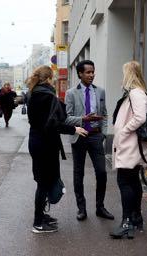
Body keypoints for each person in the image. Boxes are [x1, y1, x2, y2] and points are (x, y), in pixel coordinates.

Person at [27, 66, 88, 233]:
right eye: (52, 78)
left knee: (43, 182)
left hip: (36, 142)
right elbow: (53, 124)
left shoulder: (33, 93)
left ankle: (41, 216)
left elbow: (46, 120)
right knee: (44, 183)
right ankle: (38, 223)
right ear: (48, 78)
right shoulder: (46, 96)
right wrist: (74, 129)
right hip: (45, 144)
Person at [65, 60, 114, 221]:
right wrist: (82, 119)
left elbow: (105, 114)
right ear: (80, 74)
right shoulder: (71, 93)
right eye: (88, 72)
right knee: (78, 174)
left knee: (101, 172)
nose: (91, 75)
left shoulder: (100, 91)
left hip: (95, 136)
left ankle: (100, 207)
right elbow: (66, 118)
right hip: (80, 135)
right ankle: (82, 209)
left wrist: (104, 134)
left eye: (93, 72)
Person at [110, 61, 147, 239]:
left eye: (124, 72)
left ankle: (127, 222)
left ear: (129, 74)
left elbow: (140, 118)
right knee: (132, 181)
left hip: (130, 145)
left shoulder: (136, 93)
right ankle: (136, 218)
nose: (122, 76)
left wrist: (124, 131)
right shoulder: (135, 93)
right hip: (130, 144)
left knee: (125, 182)